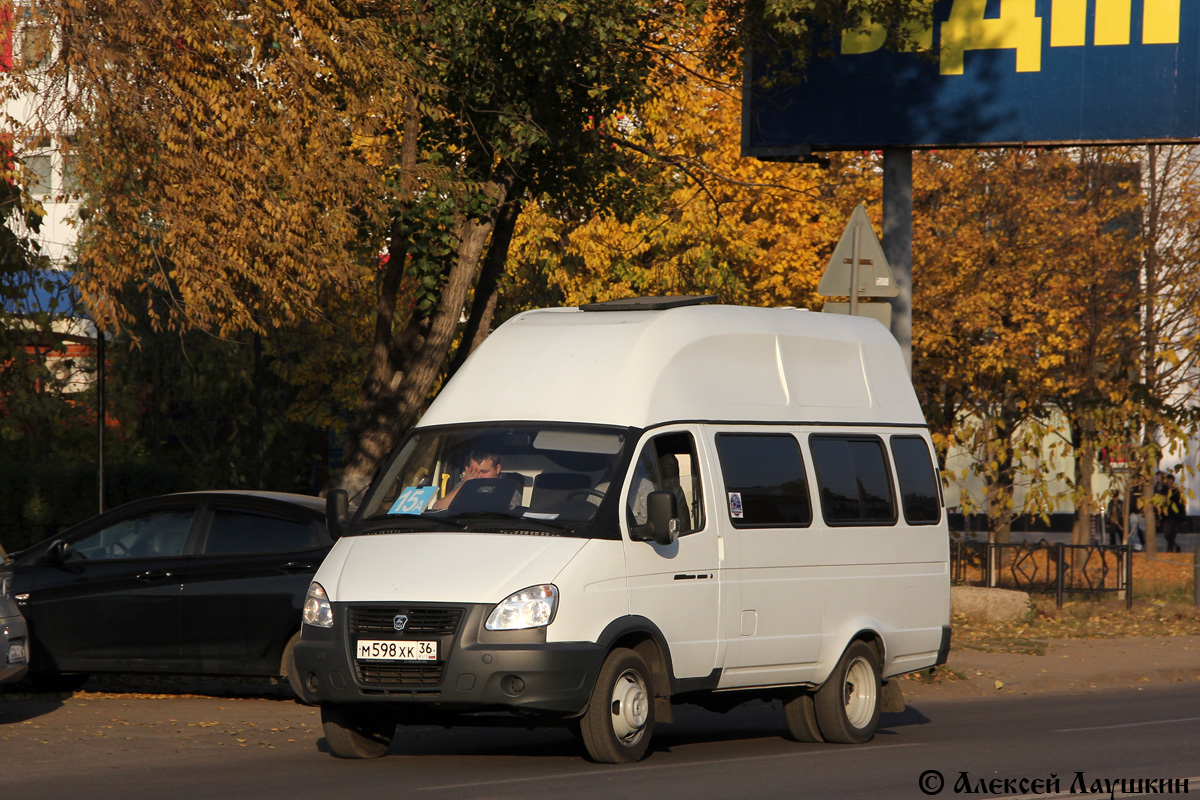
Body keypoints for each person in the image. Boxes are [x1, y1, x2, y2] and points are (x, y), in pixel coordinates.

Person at [431, 448, 503, 510]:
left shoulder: (508, 488)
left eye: (484, 471)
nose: (478, 476)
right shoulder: (466, 485)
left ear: (497, 468)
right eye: (473, 471)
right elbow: (437, 507)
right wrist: (464, 485)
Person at [1162, 473, 1185, 553]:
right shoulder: (1164, 490)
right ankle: (1176, 546)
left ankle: (1170, 549)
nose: (1169, 482)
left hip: (1174, 515)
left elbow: (1180, 504)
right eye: (1167, 481)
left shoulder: (1176, 491)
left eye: (1170, 481)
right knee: (1166, 534)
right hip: (1166, 515)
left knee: (1172, 533)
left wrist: (1182, 516)